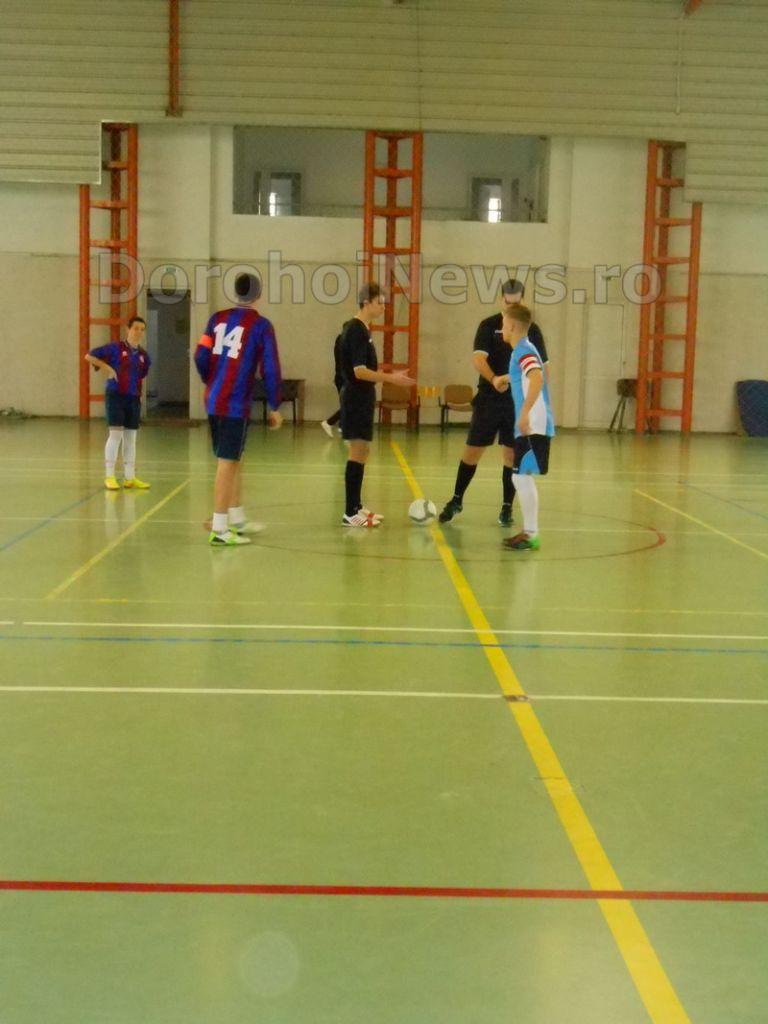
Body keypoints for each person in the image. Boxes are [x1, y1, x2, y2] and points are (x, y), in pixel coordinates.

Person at [438, 278, 548, 526]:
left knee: (511, 455)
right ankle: (457, 499)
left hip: (516, 403)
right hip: (489, 399)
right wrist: (494, 378)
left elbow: (541, 368)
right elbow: (479, 359)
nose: (511, 307)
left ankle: (507, 508)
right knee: (472, 451)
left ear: (523, 301)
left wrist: (526, 397)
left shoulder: (533, 331)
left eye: (516, 303)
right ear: (501, 300)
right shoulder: (489, 325)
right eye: (508, 302)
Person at [194, 272, 283, 547]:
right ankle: (220, 528)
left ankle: (236, 517)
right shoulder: (261, 326)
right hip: (234, 403)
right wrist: (275, 404)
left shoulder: (216, 319)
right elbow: (270, 367)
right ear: (258, 294)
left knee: (234, 458)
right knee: (227, 461)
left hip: (214, 398)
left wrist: (210, 381)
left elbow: (200, 355)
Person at [339, 283, 415, 527]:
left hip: (362, 398)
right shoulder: (356, 330)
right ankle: (350, 513)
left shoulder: (363, 330)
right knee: (357, 451)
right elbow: (360, 371)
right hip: (355, 398)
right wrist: (391, 378)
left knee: (363, 451)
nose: (383, 307)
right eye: (379, 303)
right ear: (366, 303)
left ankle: (357, 506)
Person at [497, 303, 555, 551]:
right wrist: (506, 378)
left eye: (503, 324)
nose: (501, 329)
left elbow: (537, 377)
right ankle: (530, 532)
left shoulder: (523, 349)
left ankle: (532, 534)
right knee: (520, 476)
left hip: (533, 423)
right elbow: (527, 374)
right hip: (532, 421)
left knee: (520, 477)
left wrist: (524, 413)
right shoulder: (523, 350)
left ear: (511, 326)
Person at [85, 315, 152, 491]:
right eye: (135, 328)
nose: (138, 332)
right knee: (115, 435)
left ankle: (130, 477)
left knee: (131, 438)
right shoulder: (115, 348)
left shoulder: (144, 356)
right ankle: (109, 476)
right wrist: (108, 368)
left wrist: (138, 394)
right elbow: (89, 356)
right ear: (128, 329)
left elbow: (141, 375)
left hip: (133, 397)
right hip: (116, 395)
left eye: (142, 329)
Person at [320, 331, 344, 438]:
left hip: (341, 378)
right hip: (344, 379)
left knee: (346, 404)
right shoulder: (343, 344)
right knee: (350, 404)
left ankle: (342, 427)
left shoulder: (339, 342)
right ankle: (329, 422)